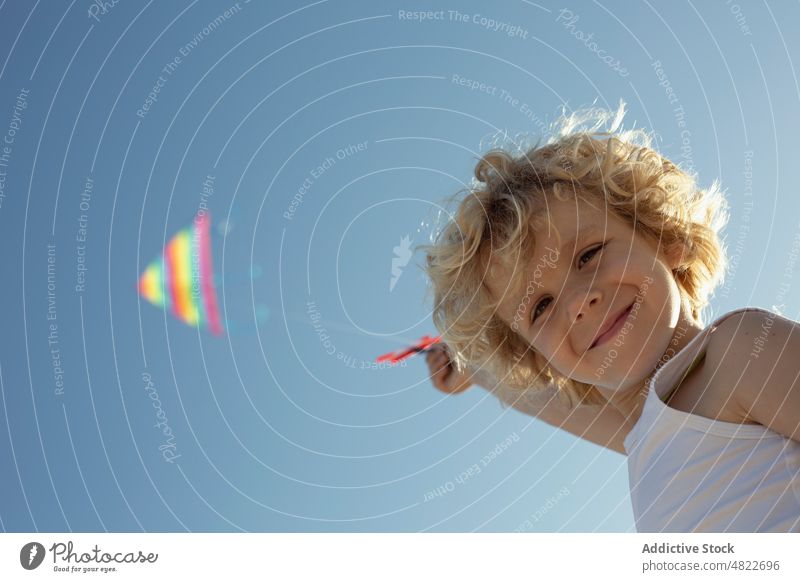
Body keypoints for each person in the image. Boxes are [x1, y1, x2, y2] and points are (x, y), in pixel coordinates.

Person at [421, 101, 800, 532]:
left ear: (664, 237)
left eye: (589, 254)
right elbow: (534, 400)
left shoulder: (738, 351)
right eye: (540, 306)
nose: (579, 303)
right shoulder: (645, 437)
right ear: (538, 360)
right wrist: (476, 372)